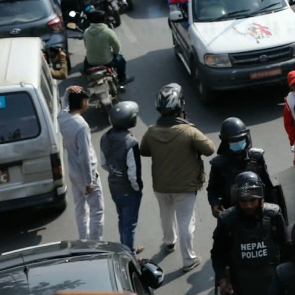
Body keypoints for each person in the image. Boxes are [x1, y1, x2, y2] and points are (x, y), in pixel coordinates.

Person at [140, 83, 216, 272]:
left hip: (161, 186)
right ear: (180, 107)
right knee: (185, 222)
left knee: (166, 215)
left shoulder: (151, 132)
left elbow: (144, 150)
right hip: (185, 187)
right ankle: (188, 259)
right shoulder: (189, 131)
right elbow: (209, 149)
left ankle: (168, 242)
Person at [211, 171, 290, 295]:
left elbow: (287, 247)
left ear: (260, 198)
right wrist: (223, 280)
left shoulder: (274, 216)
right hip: (242, 286)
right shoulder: (227, 221)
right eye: (244, 201)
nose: (248, 206)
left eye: (252, 200)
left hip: (273, 282)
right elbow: (218, 255)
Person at [58, 87, 104, 241]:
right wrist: (89, 181)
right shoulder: (81, 125)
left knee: (80, 208)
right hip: (85, 173)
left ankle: (83, 240)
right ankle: (95, 245)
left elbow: (64, 105)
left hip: (73, 171)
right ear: (83, 102)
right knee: (97, 210)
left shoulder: (63, 117)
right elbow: (84, 155)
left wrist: (67, 93)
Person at [206, 117, 274, 216]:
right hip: (231, 212)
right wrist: (214, 205)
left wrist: (273, 209)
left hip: (257, 210)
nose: (237, 143)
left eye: (240, 139)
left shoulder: (256, 157)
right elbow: (212, 189)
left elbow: (267, 185)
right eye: (233, 140)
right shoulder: (219, 164)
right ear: (225, 141)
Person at [100, 101, 143, 254]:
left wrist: (115, 173)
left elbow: (104, 163)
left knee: (122, 219)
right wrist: (137, 189)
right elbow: (133, 173)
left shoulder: (105, 137)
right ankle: (129, 254)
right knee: (129, 224)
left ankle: (126, 247)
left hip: (114, 186)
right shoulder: (131, 143)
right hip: (128, 190)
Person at [82, 9, 131, 89]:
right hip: (107, 62)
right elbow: (117, 47)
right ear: (103, 20)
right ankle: (122, 79)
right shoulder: (108, 32)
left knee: (85, 63)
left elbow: (86, 46)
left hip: (91, 62)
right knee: (121, 60)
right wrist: (115, 54)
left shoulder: (86, 32)